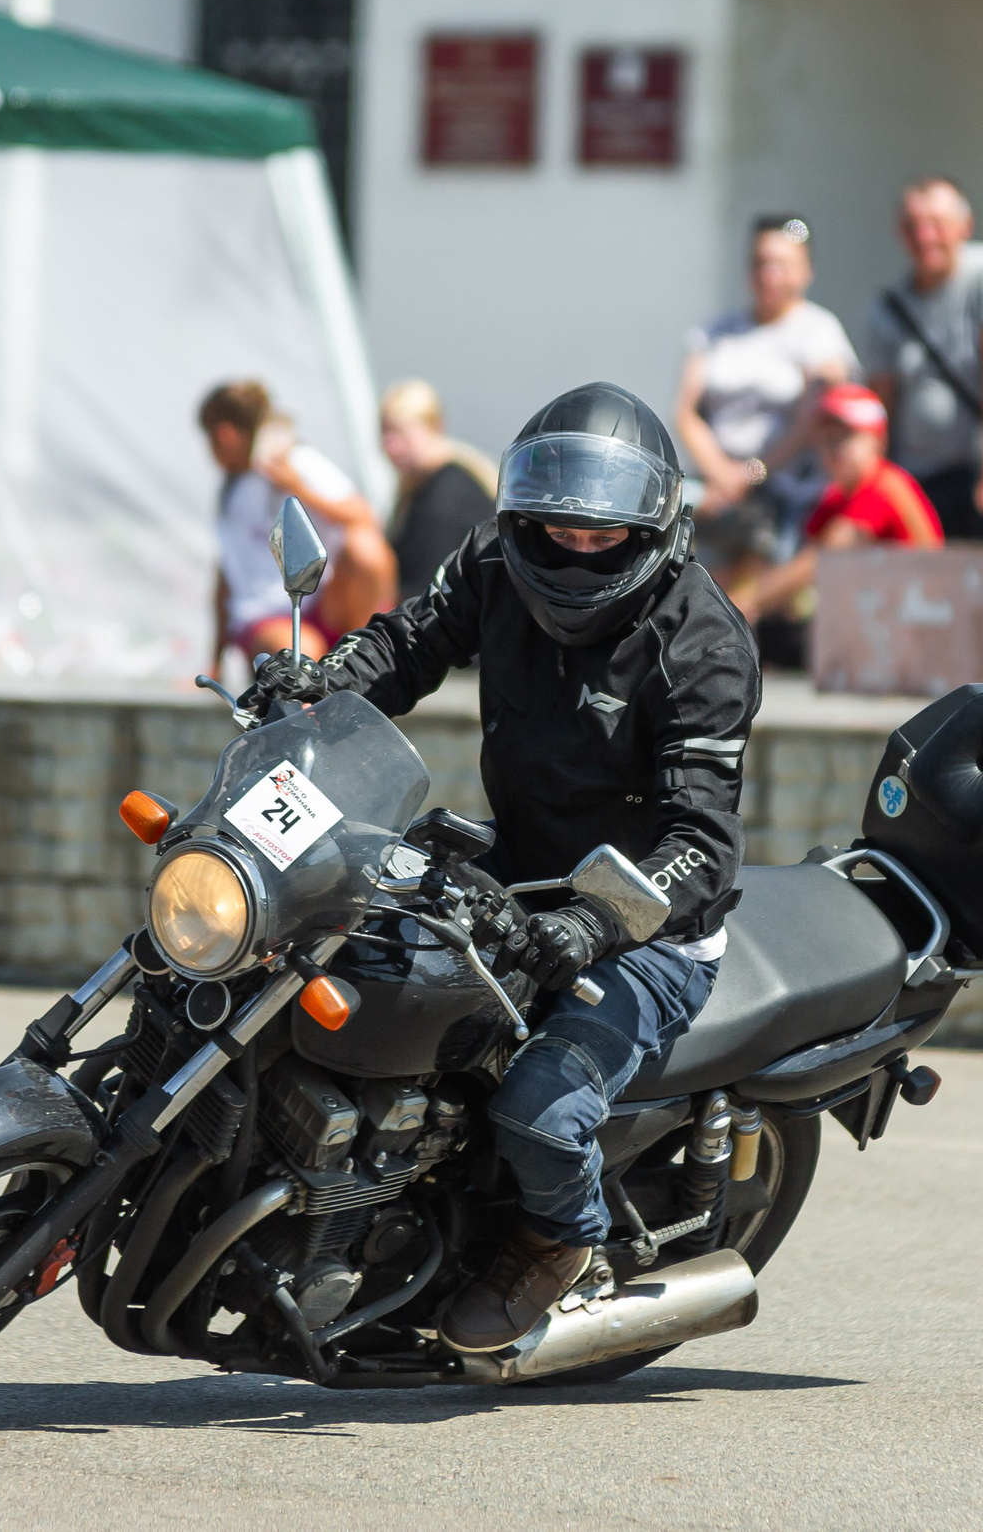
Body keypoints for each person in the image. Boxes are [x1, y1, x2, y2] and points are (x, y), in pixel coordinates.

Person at [250, 382, 758, 1352]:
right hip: (516, 875)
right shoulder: (494, 560)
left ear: (652, 529)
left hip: (646, 931)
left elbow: (700, 840)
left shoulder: (702, 646)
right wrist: (323, 685)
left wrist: (596, 921)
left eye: (601, 535)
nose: (575, 547)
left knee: (537, 1109)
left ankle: (559, 1240)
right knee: (330, 971)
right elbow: (408, 644)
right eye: (557, 527)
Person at [674, 214, 859, 593]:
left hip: (788, 496)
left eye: (782, 264)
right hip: (719, 491)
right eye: (761, 263)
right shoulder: (717, 330)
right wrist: (722, 474)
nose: (770, 274)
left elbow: (816, 414)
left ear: (806, 271)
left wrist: (754, 473)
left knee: (758, 593)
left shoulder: (819, 332)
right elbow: (686, 412)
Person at [862, 177, 983, 542]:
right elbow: (882, 407)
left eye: (937, 224)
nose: (925, 236)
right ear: (900, 233)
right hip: (917, 479)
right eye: (914, 226)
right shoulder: (887, 308)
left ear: (965, 226)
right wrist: (880, 487)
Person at [199, 379, 395, 661]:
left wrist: (299, 489)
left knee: (367, 548)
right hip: (268, 617)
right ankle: (326, 674)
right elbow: (227, 575)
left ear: (224, 435)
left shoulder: (297, 462)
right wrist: (215, 661)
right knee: (300, 655)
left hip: (324, 604)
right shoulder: (234, 493)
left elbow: (364, 518)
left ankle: (362, 657)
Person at [729, 384, 942, 633]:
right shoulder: (837, 496)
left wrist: (742, 602)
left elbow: (819, 560)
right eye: (827, 439)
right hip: (887, 622)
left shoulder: (886, 486)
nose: (834, 449)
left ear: (878, 442)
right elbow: (803, 561)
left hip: (923, 622)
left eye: (846, 437)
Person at [376, 379, 497, 601]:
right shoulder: (441, 481)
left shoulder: (443, 501)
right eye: (385, 433)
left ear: (435, 428)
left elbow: (423, 595)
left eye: (401, 434)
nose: (390, 446)